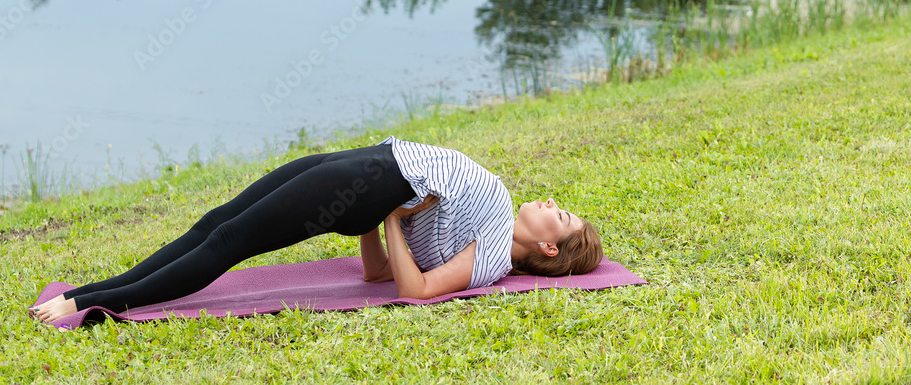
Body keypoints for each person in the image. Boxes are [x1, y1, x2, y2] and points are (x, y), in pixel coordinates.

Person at [32, 135, 603, 323]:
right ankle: (98, 287)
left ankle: (86, 303)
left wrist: (390, 215)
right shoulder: (484, 229)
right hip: (374, 167)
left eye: (561, 214)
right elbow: (380, 271)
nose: (552, 202)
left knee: (231, 242)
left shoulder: (495, 256)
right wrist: (381, 221)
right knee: (219, 220)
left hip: (378, 181)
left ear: (550, 245)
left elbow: (414, 291)